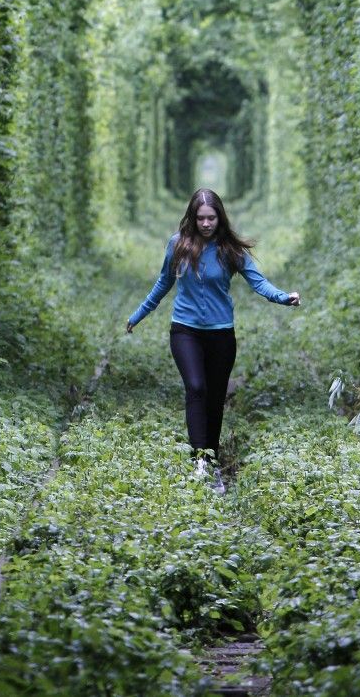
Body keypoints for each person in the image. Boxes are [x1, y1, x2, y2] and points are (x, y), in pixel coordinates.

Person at [126, 188, 300, 493]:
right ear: (192, 219)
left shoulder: (229, 250)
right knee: (196, 388)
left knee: (215, 399)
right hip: (185, 331)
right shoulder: (178, 245)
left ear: (220, 218)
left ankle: (213, 461)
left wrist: (283, 297)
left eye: (211, 218)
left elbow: (258, 281)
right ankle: (199, 462)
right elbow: (163, 282)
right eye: (201, 218)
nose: (206, 223)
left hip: (221, 333)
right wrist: (139, 314)